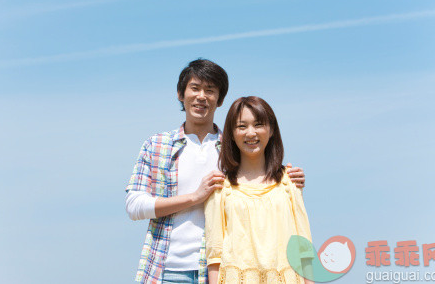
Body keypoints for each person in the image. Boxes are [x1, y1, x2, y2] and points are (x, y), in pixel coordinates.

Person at [125, 59, 306, 284]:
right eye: (195, 88)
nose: (202, 96)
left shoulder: (232, 146)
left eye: (210, 90)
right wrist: (194, 197)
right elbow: (134, 206)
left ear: (219, 100)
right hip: (167, 267)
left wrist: (286, 176)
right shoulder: (157, 145)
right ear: (181, 94)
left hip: (221, 270)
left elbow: (259, 177)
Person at [205, 96, 314, 284]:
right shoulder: (220, 187)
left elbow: (303, 249)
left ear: (271, 130)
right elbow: (214, 255)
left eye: (258, 124)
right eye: (241, 126)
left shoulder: (289, 182)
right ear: (231, 133)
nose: (250, 133)